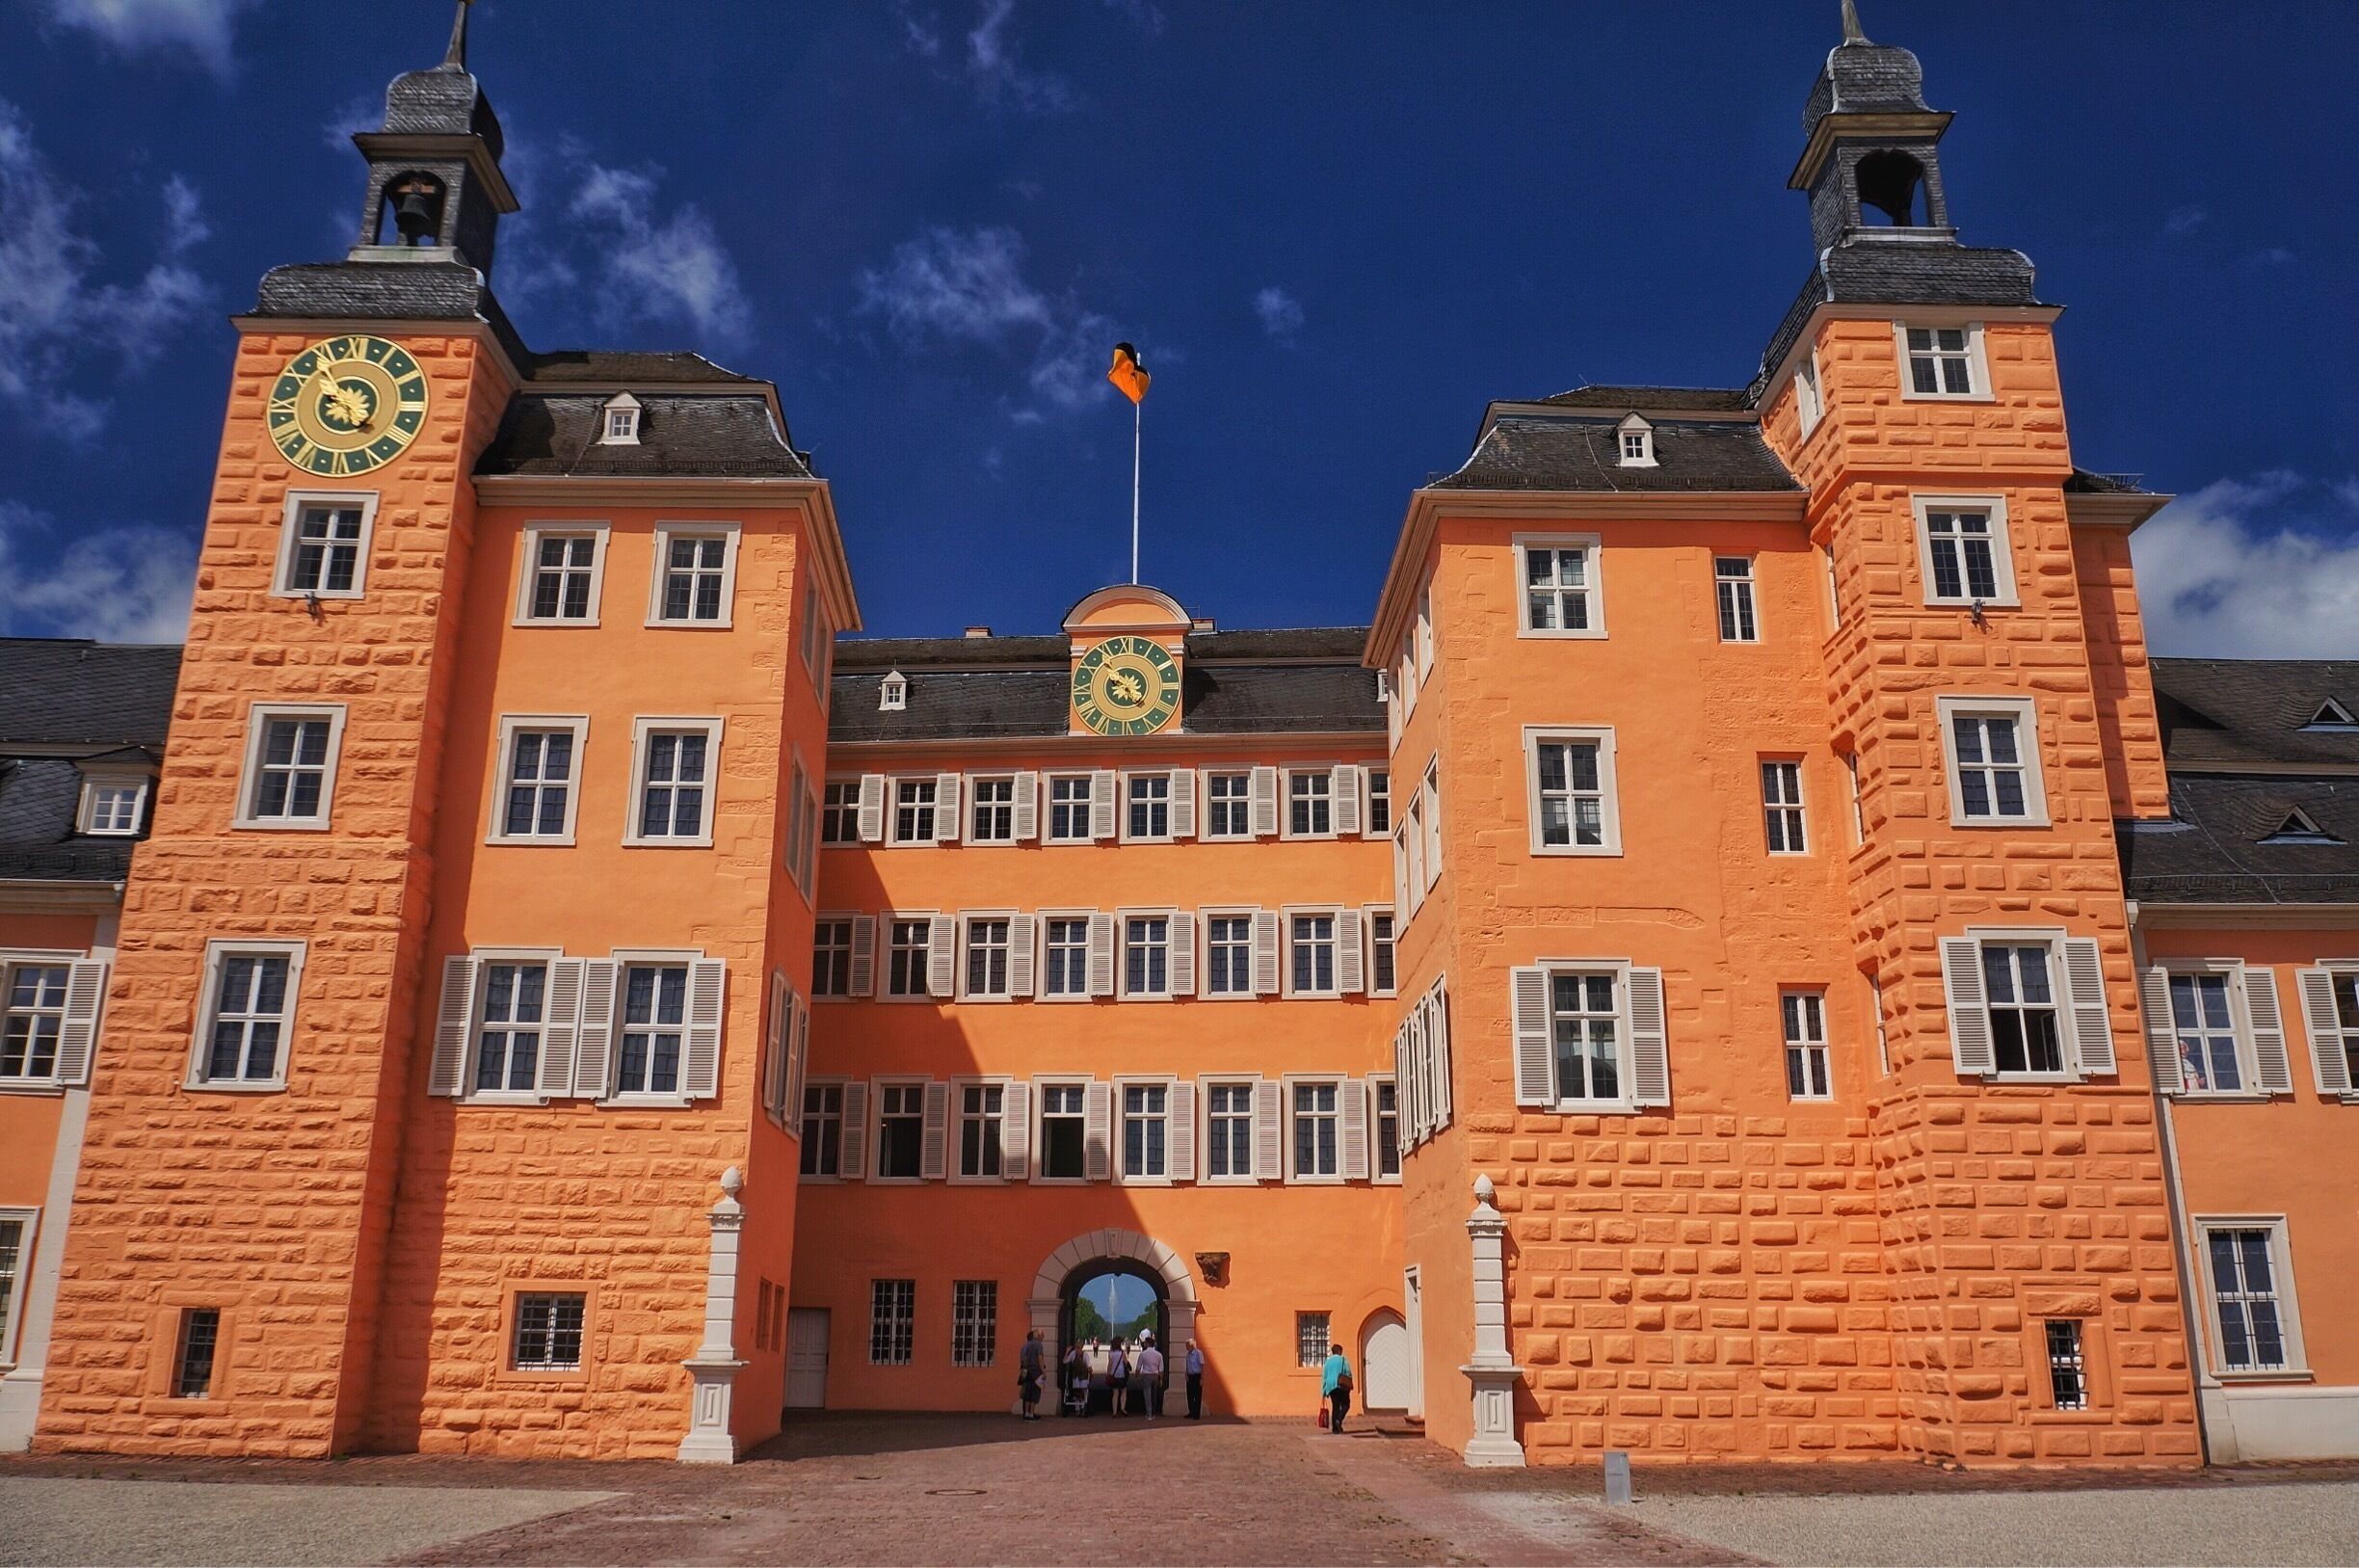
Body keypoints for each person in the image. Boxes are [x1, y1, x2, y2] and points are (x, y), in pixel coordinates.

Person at [1321, 1345, 1354, 1435]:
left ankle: (1335, 1429)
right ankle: (1339, 1420)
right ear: (1339, 1351)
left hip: (1331, 1385)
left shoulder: (1328, 1362)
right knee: (1346, 1405)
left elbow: (1324, 1376)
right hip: (1341, 1385)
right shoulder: (1343, 1360)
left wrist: (1324, 1391)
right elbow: (1348, 1372)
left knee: (1335, 1406)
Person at [1019, 1329, 1046, 1421]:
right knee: (1035, 1393)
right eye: (1042, 1335)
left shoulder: (1028, 1345)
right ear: (1038, 1336)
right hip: (1036, 1372)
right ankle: (1031, 1414)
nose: (1043, 1337)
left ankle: (1026, 1413)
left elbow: (1024, 1357)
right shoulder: (1039, 1345)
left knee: (1027, 1394)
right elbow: (1040, 1358)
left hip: (1028, 1371)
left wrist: (1025, 1368)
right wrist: (1043, 1371)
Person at [1136, 1334, 1164, 1421]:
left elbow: (1138, 1367)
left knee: (1147, 1395)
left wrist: (1137, 1376)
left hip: (1147, 1375)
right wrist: (1161, 1379)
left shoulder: (1143, 1354)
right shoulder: (1159, 1355)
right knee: (1154, 1395)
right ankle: (1154, 1412)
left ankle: (1149, 1414)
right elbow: (1161, 1369)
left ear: (1147, 1344)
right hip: (1155, 1375)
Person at [1184, 1340, 1206, 1420]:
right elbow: (1187, 1364)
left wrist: (1202, 1378)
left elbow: (1202, 1365)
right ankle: (1191, 1412)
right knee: (1189, 1395)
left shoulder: (1198, 1353)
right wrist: (1186, 1373)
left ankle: (1196, 1414)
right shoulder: (1188, 1354)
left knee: (1197, 1395)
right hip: (1190, 1376)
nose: (1186, 1347)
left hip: (1197, 1376)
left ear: (1192, 1345)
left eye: (1187, 1345)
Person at [1107, 1340, 1128, 1416]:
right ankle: (1122, 1408)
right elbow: (1126, 1362)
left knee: (1115, 1393)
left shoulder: (1110, 1353)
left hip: (1114, 1373)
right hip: (1121, 1373)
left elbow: (1110, 1364)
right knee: (1123, 1391)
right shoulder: (1122, 1353)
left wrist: (1108, 1374)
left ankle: (1114, 1412)